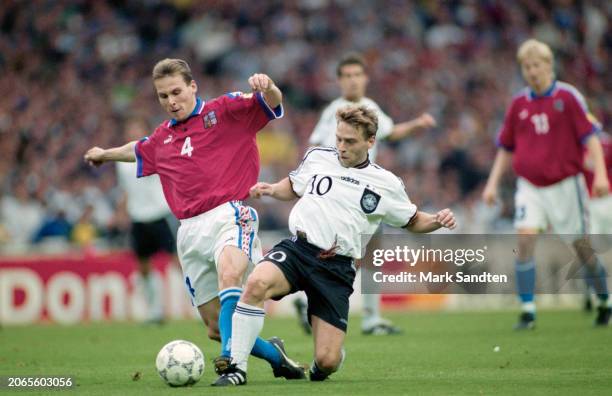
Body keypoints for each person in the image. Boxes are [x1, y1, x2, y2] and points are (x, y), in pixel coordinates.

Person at [84, 58, 306, 382]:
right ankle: (274, 354)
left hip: (229, 214)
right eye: (163, 96)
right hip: (188, 231)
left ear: (192, 87)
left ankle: (233, 365)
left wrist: (268, 86)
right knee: (216, 328)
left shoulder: (227, 109)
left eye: (176, 92)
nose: (171, 101)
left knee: (230, 274)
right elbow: (139, 148)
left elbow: (271, 102)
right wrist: (105, 153)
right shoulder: (163, 138)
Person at [212, 105, 456, 386]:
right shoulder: (318, 157)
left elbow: (413, 221)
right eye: (339, 139)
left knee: (327, 362)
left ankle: (327, 359)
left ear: (370, 141)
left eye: (350, 141)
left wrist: (437, 220)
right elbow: (293, 185)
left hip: (336, 268)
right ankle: (236, 369)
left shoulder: (386, 183)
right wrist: (271, 189)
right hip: (298, 250)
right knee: (255, 284)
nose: (341, 146)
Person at [301, 52, 437, 336]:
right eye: (347, 75)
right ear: (339, 81)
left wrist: (416, 124)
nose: (352, 80)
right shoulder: (334, 112)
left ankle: (362, 314)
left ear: (365, 78)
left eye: (356, 75)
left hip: (365, 191)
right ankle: (314, 303)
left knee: (368, 251)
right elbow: (315, 147)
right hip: (339, 192)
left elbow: (390, 132)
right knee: (333, 251)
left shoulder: (370, 108)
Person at [482, 39, 611, 329]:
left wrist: (601, 175)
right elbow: (506, 146)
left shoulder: (568, 97)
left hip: (566, 185)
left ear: (548, 65)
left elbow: (591, 137)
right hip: (530, 186)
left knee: (580, 246)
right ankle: (528, 310)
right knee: (524, 239)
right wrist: (492, 184)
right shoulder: (518, 103)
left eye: (536, 65)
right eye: (526, 67)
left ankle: (604, 299)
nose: (532, 71)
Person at [115, 116, 178, 324]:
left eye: (137, 128)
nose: (133, 133)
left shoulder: (154, 152)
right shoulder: (122, 162)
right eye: (130, 129)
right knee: (143, 267)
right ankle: (154, 311)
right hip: (138, 218)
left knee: (178, 262)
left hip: (160, 215)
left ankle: (200, 306)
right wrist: (121, 212)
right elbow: (127, 189)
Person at [582, 132, 612, 310]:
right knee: (588, 251)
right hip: (588, 204)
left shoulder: (606, 144)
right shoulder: (575, 147)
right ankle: (593, 293)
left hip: (607, 199)